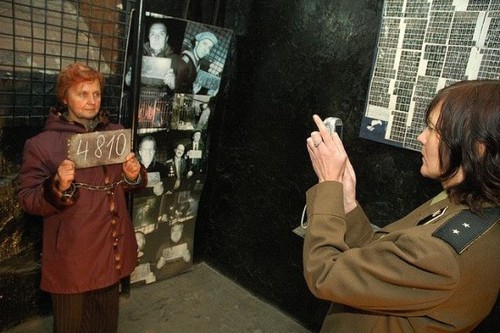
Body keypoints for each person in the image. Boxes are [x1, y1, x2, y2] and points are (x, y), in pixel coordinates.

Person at [303, 79, 499, 332]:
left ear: (477, 148)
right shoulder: (469, 205)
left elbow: (324, 273)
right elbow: (384, 262)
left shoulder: (441, 255)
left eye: (432, 129)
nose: (421, 137)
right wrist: (348, 203)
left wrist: (328, 183)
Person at [17, 63, 147, 333]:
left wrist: (133, 174)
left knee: (104, 325)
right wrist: (58, 185)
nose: (91, 101)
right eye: (82, 93)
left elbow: (130, 183)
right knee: (70, 327)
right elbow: (28, 198)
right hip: (72, 257)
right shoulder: (42, 144)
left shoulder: (114, 133)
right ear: (65, 97)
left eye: (96, 94)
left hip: (109, 252)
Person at [125, 21, 181, 91]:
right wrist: (127, 82)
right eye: (153, 34)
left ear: (166, 38)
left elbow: (184, 89)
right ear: (149, 37)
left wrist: (174, 86)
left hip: (161, 100)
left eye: (161, 34)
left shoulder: (176, 60)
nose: (156, 38)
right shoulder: (135, 56)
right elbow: (122, 87)